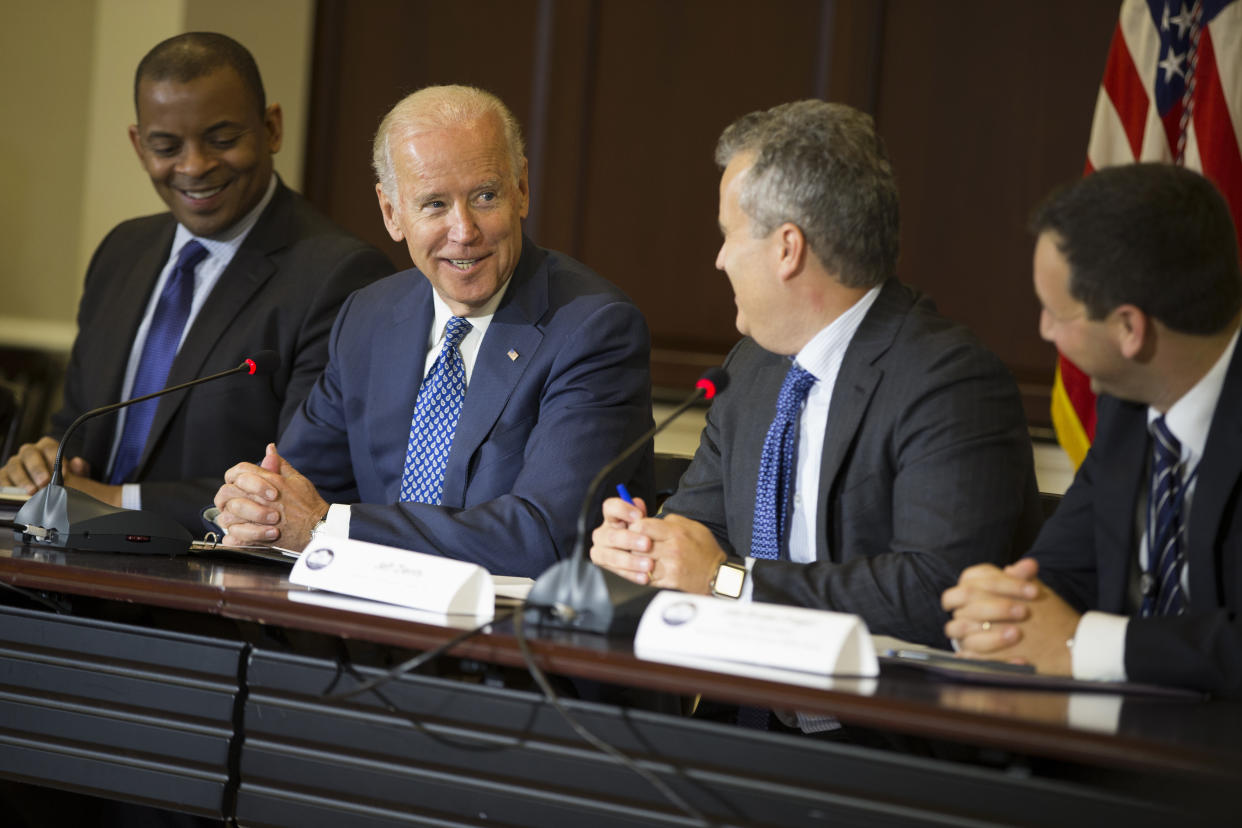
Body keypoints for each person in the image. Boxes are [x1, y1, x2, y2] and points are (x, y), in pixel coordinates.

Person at [590, 100, 1042, 648]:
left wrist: (727, 581)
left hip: (873, 725)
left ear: (787, 248)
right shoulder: (750, 367)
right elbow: (701, 526)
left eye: (729, 234)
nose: (720, 259)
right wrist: (650, 547)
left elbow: (936, 591)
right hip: (733, 708)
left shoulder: (949, 382)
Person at [211, 85, 653, 578]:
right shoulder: (370, 316)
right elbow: (296, 485)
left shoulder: (592, 327)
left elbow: (543, 535)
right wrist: (261, 507)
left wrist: (325, 526)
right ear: (391, 212)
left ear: (522, 188)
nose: (464, 231)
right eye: (435, 204)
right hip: (356, 623)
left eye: (485, 196)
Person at [0, 32, 392, 532]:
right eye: (166, 146)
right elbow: (76, 424)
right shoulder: (121, 251)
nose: (194, 166)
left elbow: (300, 484)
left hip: (206, 587)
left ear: (271, 128)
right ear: (139, 146)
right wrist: (46, 463)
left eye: (222, 140)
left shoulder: (341, 274)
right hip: (64, 565)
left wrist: (109, 499)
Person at [943, 163, 1242, 696]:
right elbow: (1065, 570)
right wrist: (1007, 606)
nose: (1044, 329)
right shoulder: (1127, 409)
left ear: (1130, 328)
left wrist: (1086, 644)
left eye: (1056, 312)